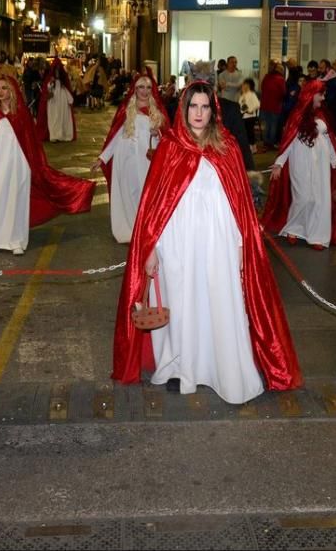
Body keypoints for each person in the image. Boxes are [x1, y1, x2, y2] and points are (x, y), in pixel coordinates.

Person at [111, 81, 302, 404]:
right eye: (193, 107)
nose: (198, 113)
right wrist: (152, 249)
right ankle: (181, 367)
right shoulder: (170, 148)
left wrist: (242, 248)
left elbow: (238, 204)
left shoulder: (227, 147)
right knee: (182, 305)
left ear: (213, 111)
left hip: (219, 246)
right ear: (184, 110)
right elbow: (154, 207)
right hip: (176, 246)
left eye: (204, 107)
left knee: (219, 303)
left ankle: (220, 368)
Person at [0, 76, 95, 255]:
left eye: (5, 88)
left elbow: (30, 143)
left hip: (17, 165)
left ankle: (15, 241)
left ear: (13, 91)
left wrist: (30, 166)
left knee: (15, 202)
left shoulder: (21, 114)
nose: (0, 92)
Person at [262, 79, 336, 250]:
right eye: (320, 94)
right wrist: (279, 163)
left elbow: (330, 140)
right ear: (311, 94)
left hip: (321, 163)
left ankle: (317, 236)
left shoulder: (324, 115)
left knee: (319, 199)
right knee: (302, 197)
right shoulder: (296, 115)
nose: (323, 98)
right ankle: (294, 228)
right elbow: (288, 141)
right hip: (300, 160)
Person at [91, 73, 169, 243]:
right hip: (126, 158)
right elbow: (115, 136)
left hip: (147, 160)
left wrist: (159, 132)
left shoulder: (157, 110)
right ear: (134, 89)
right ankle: (131, 229)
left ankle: (145, 229)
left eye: (148, 87)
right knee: (130, 193)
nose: (145, 91)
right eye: (141, 87)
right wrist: (103, 158)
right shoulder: (127, 109)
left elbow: (168, 139)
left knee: (146, 194)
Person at [36, 57, 76, 142]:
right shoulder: (49, 78)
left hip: (62, 100)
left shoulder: (64, 78)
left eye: (58, 68)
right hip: (53, 101)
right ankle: (54, 135)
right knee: (53, 118)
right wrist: (51, 84)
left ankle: (62, 135)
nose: (57, 70)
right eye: (56, 68)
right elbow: (46, 89)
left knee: (62, 117)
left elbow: (67, 87)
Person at [238, 77, 260, 150]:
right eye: (244, 84)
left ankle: (253, 147)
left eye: (246, 84)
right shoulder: (242, 95)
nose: (244, 86)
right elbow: (240, 104)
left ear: (249, 85)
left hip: (250, 117)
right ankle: (249, 146)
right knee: (246, 132)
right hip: (244, 116)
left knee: (250, 132)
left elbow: (257, 104)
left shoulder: (252, 94)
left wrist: (250, 110)